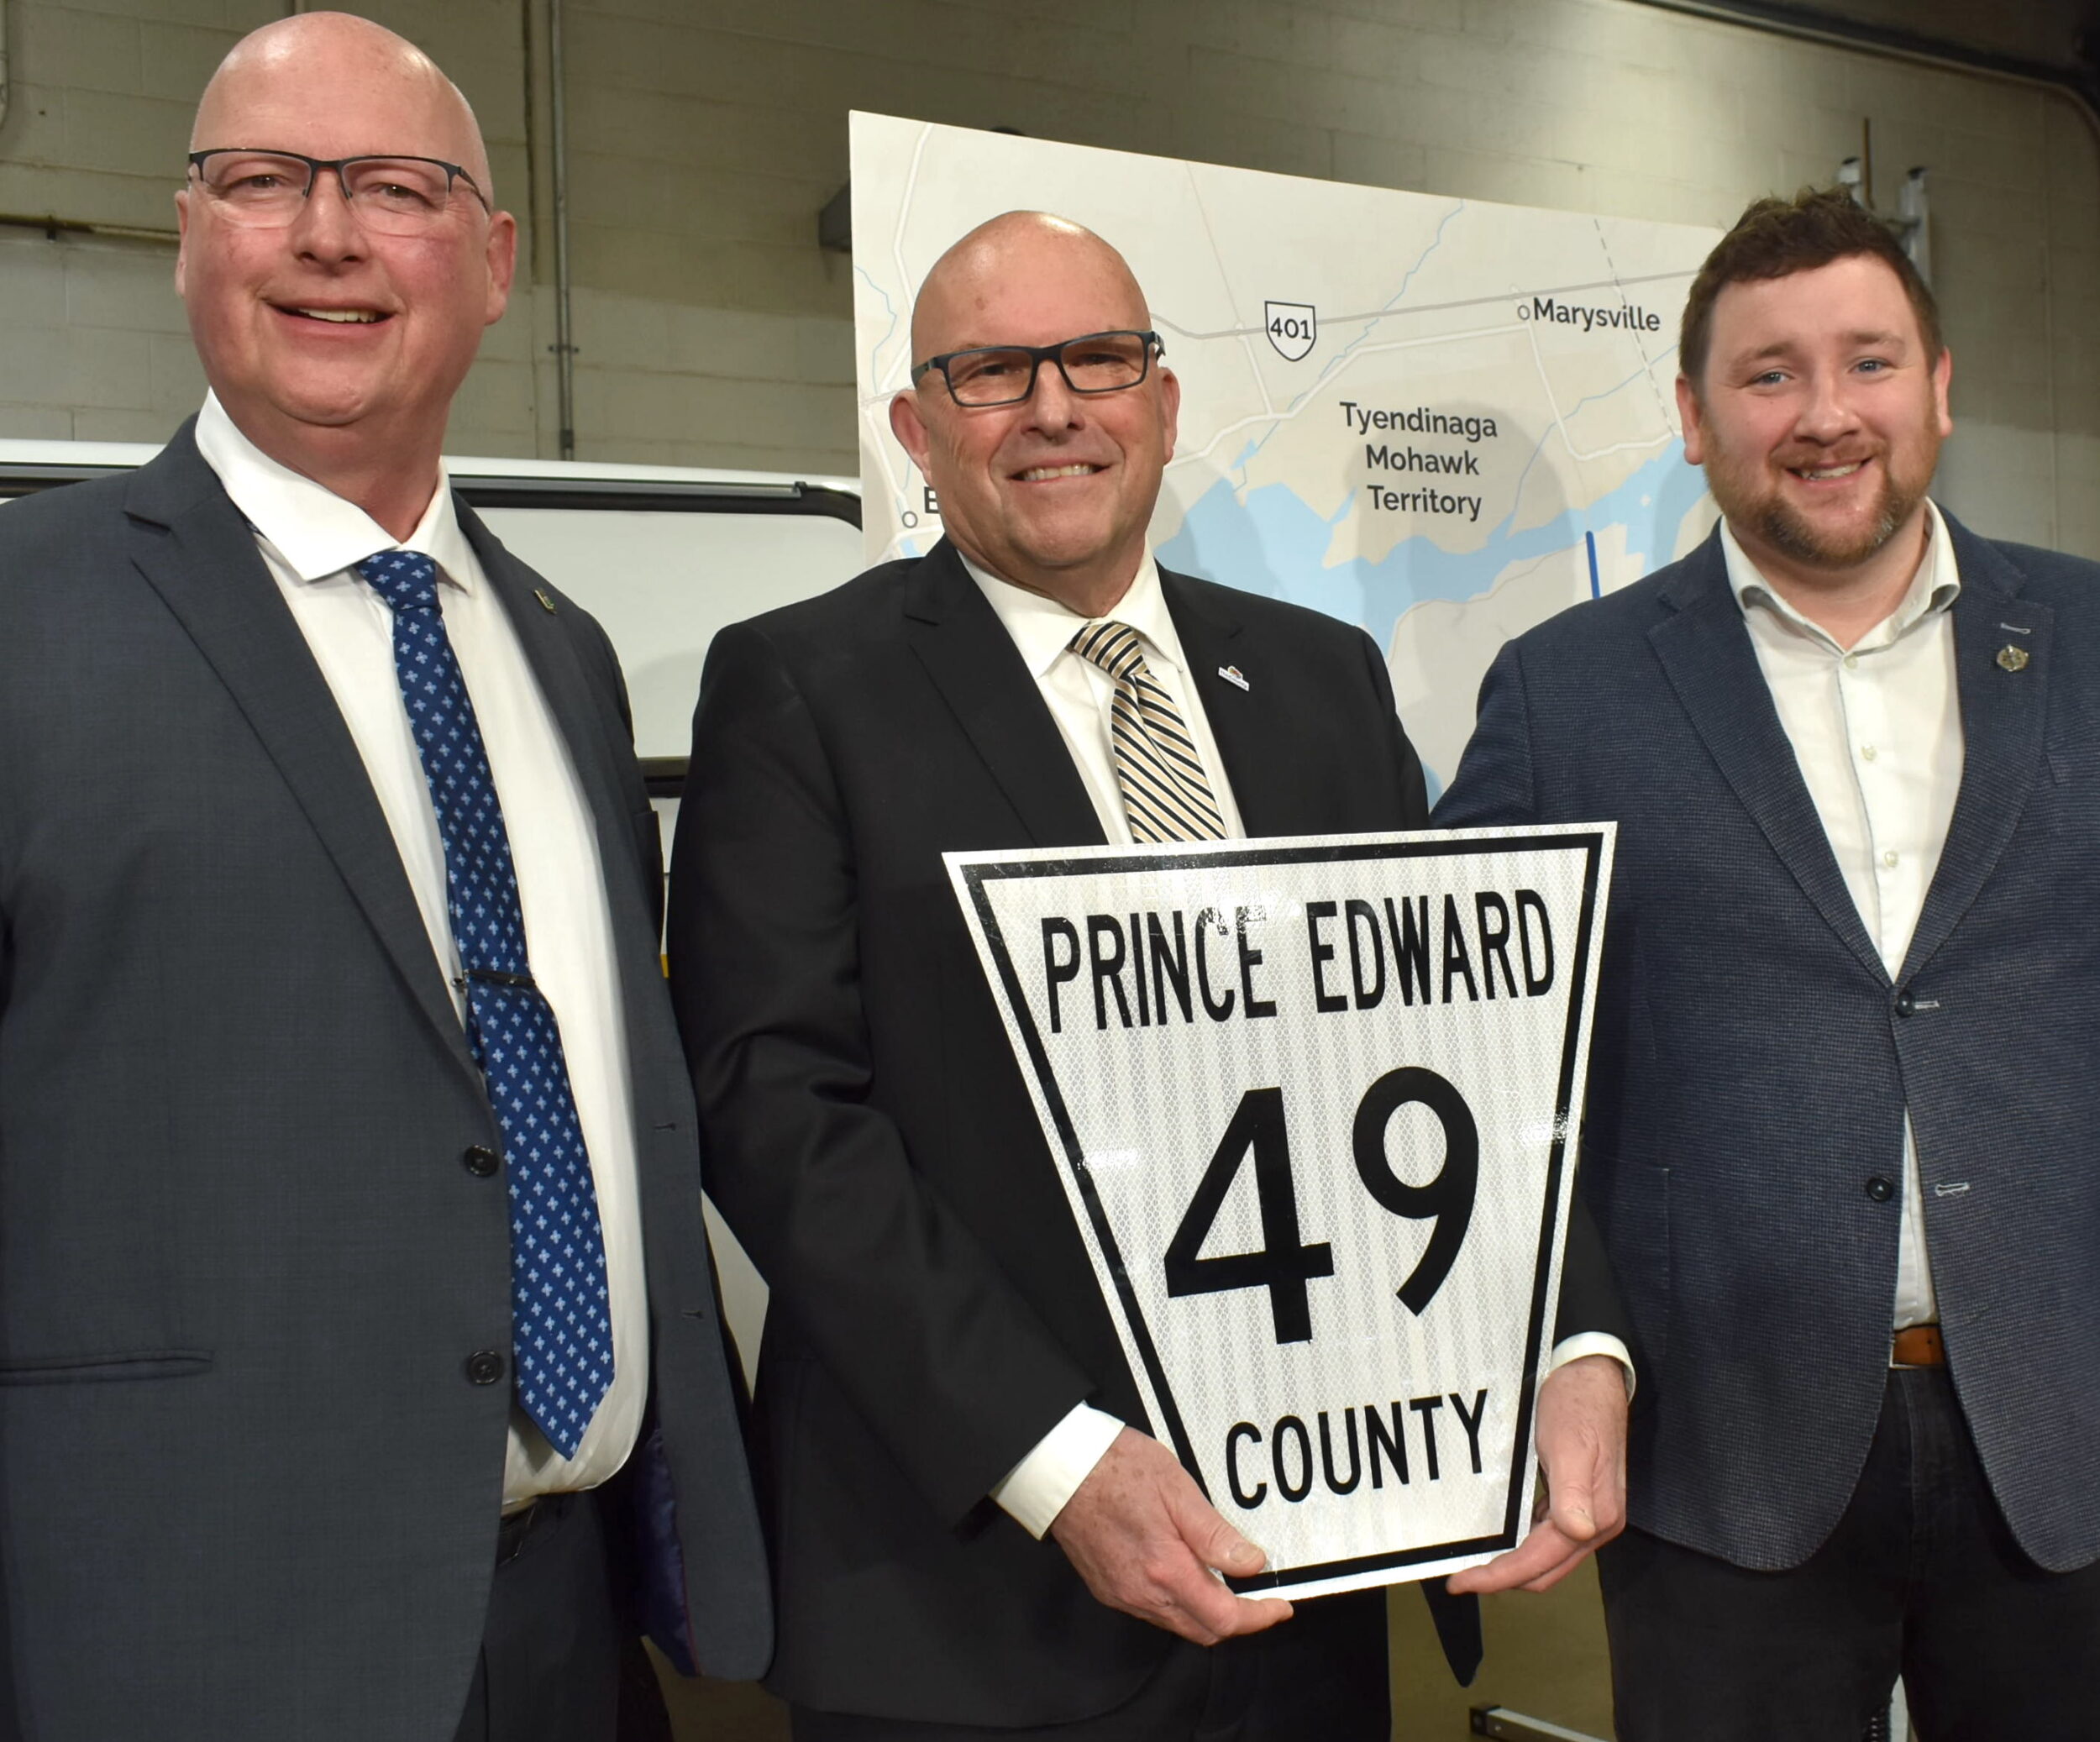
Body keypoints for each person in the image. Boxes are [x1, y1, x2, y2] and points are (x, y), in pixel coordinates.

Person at [669, 209, 1630, 1741]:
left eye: (1099, 360)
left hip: (1309, 1592)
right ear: (919, 428)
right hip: (972, 1604)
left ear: (1164, 404)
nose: (1056, 407)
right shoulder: (800, 686)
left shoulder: (1323, 677)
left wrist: (1567, 1336)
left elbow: (1470, 1051)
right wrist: (1058, 1457)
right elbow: (772, 1106)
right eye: (994, 371)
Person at [0, 14, 767, 1739]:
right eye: (265, 181)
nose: (328, 233)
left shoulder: (560, 652)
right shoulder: (23, 620)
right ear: (190, 232)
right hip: (177, 1643)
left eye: (397, 188)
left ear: (493, 262)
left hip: (577, 1630)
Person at [1436, 186, 2100, 1739]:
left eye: (1868, 362)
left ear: (1939, 387)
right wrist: (1565, 1338)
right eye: (1768, 374)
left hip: (2064, 1437)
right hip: (1722, 1454)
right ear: (1691, 413)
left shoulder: (2086, 637)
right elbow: (1478, 1053)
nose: (1824, 415)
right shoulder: (1564, 693)